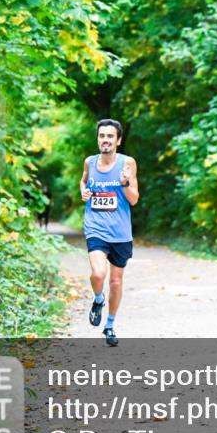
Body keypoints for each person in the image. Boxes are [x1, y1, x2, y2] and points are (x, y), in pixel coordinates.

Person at [80, 119, 138, 347]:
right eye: (102, 136)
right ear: (98, 139)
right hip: (95, 226)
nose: (105, 140)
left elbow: (133, 199)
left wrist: (124, 183)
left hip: (121, 232)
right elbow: (83, 182)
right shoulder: (89, 162)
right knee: (98, 274)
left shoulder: (127, 164)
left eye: (110, 136)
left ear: (118, 140)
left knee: (115, 281)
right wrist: (84, 192)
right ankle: (98, 299)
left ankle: (110, 325)